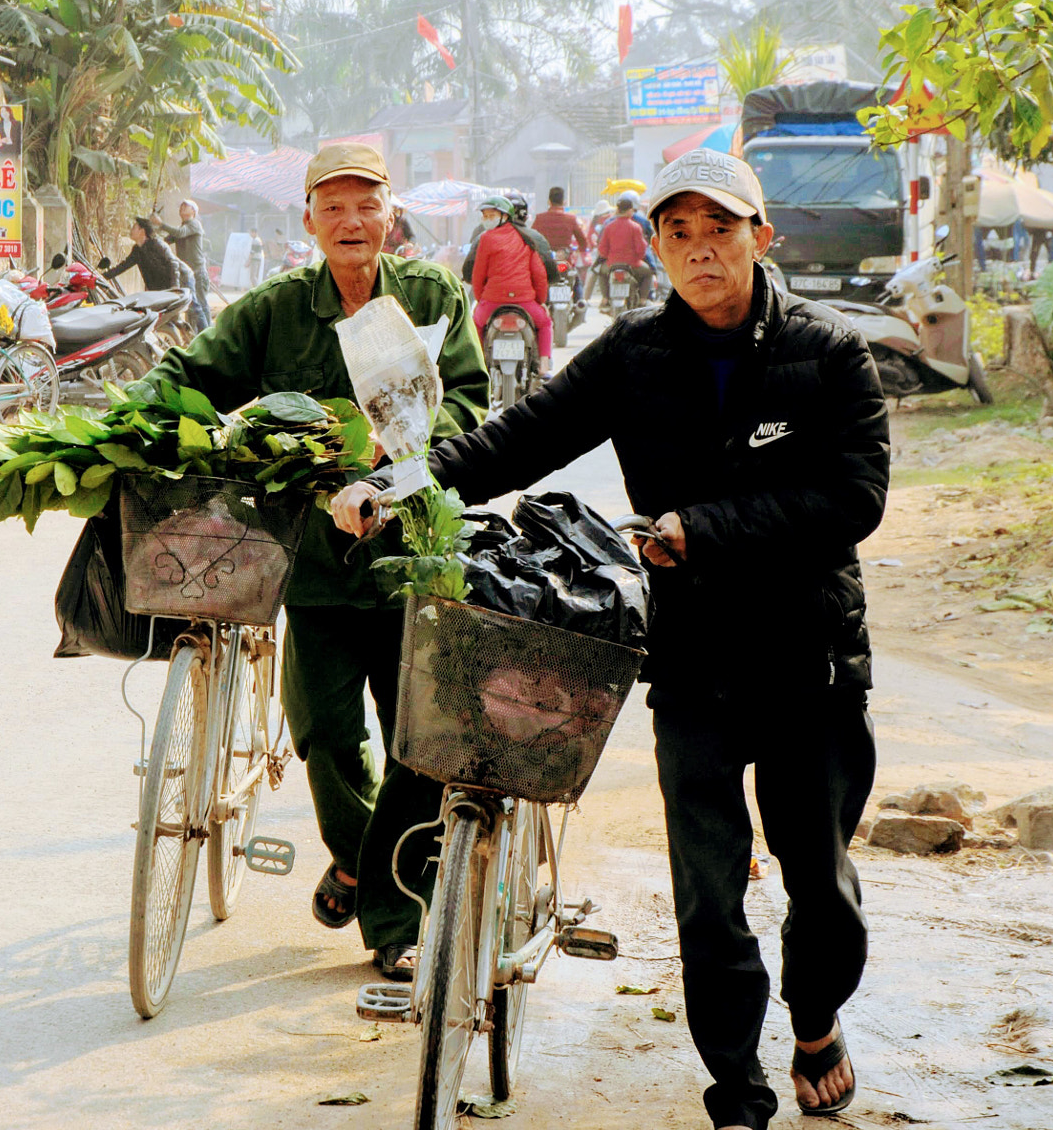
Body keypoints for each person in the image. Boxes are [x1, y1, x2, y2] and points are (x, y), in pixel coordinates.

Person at [333, 146, 888, 1130]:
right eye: (676, 232)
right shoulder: (632, 353)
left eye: (719, 228)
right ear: (655, 246)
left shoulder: (830, 353)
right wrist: (393, 486)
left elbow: (852, 497)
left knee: (821, 889)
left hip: (807, 658)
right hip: (694, 661)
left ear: (761, 238)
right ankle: (736, 1085)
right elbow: (516, 437)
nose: (698, 249)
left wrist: (700, 527)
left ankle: (812, 1022)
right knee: (708, 897)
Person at [146, 142, 489, 981]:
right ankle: (361, 858)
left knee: (418, 741)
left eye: (365, 205)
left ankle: (392, 917)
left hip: (413, 554)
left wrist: (407, 460)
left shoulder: (435, 298)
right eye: (331, 207)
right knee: (325, 734)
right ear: (307, 221)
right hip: (316, 567)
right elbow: (193, 375)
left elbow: (473, 405)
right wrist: (141, 425)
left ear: (391, 216)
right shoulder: (275, 310)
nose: (351, 221)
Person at [465, 193, 557, 375]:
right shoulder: (527, 239)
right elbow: (539, 275)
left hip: (492, 301)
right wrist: (540, 301)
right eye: (485, 216)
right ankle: (544, 365)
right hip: (525, 301)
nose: (487, 220)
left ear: (505, 216)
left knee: (475, 324)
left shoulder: (486, 238)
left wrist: (481, 299)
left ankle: (478, 366)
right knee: (545, 323)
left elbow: (478, 274)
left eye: (491, 215)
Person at [162, 200, 215, 333]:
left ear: (193, 212)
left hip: (197, 271)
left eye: (186, 206)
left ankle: (209, 333)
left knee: (201, 303)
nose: (182, 207)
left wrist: (160, 224)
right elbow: (167, 240)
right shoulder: (182, 228)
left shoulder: (194, 224)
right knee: (191, 305)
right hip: (187, 273)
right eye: (181, 206)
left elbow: (179, 233)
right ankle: (195, 334)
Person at [533, 185, 590, 304]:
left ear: (549, 201)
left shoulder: (540, 218)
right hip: (565, 262)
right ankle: (580, 302)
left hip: (546, 262)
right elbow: (582, 240)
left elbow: (532, 238)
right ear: (564, 202)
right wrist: (581, 249)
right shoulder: (570, 218)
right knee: (576, 279)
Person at [597, 190, 653, 310]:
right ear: (629, 211)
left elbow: (602, 249)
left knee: (602, 272)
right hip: (633, 265)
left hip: (611, 264)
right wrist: (637, 258)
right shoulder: (635, 227)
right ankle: (643, 300)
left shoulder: (609, 226)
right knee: (648, 273)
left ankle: (605, 298)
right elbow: (641, 249)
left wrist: (609, 257)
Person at [102, 216, 182, 292]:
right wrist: (102, 277)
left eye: (134, 228)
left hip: (173, 287)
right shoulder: (137, 250)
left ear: (142, 231)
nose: (131, 231)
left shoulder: (157, 244)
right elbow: (123, 266)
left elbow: (173, 264)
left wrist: (175, 287)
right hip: (156, 291)